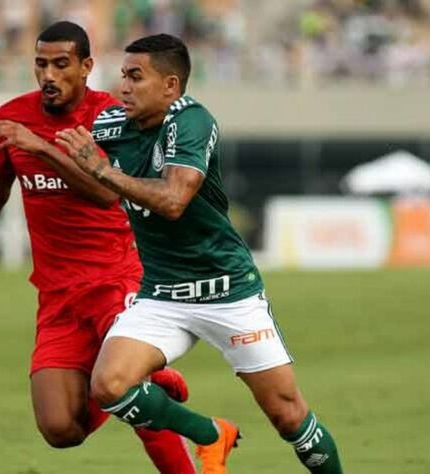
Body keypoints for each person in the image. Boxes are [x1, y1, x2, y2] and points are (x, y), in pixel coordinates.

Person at [53, 34, 344, 473]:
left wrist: (100, 169)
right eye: (123, 77)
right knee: (109, 385)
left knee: (288, 415)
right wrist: (44, 149)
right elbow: (98, 188)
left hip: (227, 291)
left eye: (136, 77)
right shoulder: (112, 128)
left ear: (170, 86)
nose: (124, 87)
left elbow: (173, 200)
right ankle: (212, 434)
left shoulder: (191, 121)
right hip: (163, 296)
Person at [0, 22, 196, 474]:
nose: (49, 74)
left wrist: (41, 148)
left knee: (129, 394)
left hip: (117, 279)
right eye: (41, 63)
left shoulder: (112, 116)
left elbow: (106, 192)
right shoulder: (14, 115)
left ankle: (153, 400)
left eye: (61, 64)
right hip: (58, 296)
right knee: (61, 429)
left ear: (86, 67)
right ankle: (149, 381)